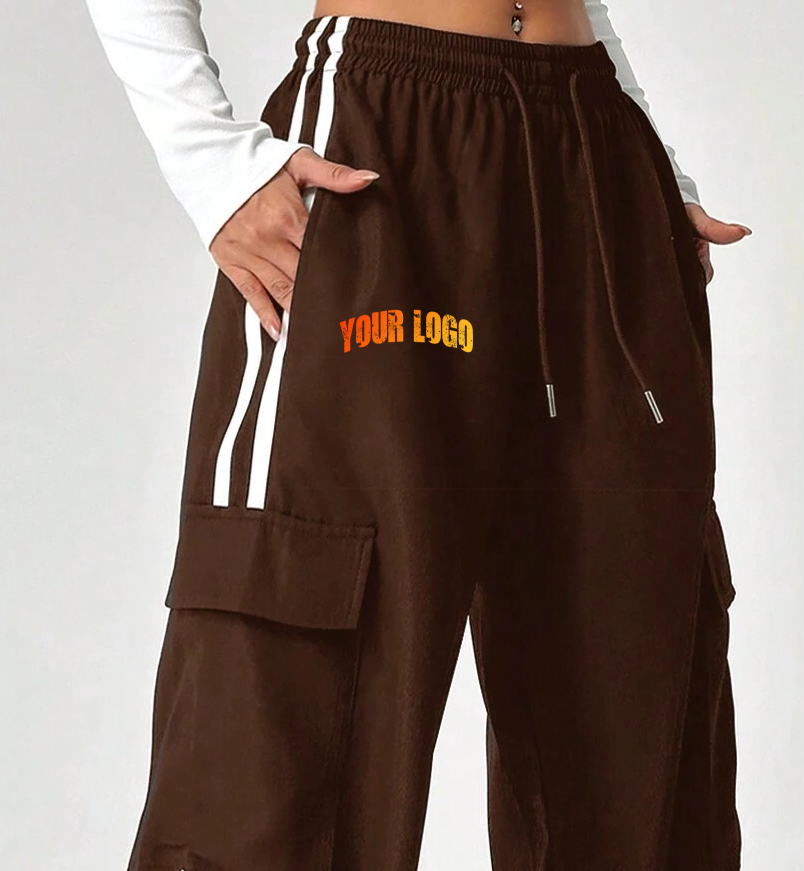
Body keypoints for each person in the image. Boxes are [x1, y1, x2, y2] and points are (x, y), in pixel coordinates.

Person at [83, 1, 752, 869]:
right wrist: (210, 161)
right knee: (287, 685)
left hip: (594, 157)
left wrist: (656, 166)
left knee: (635, 690)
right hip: (381, 150)